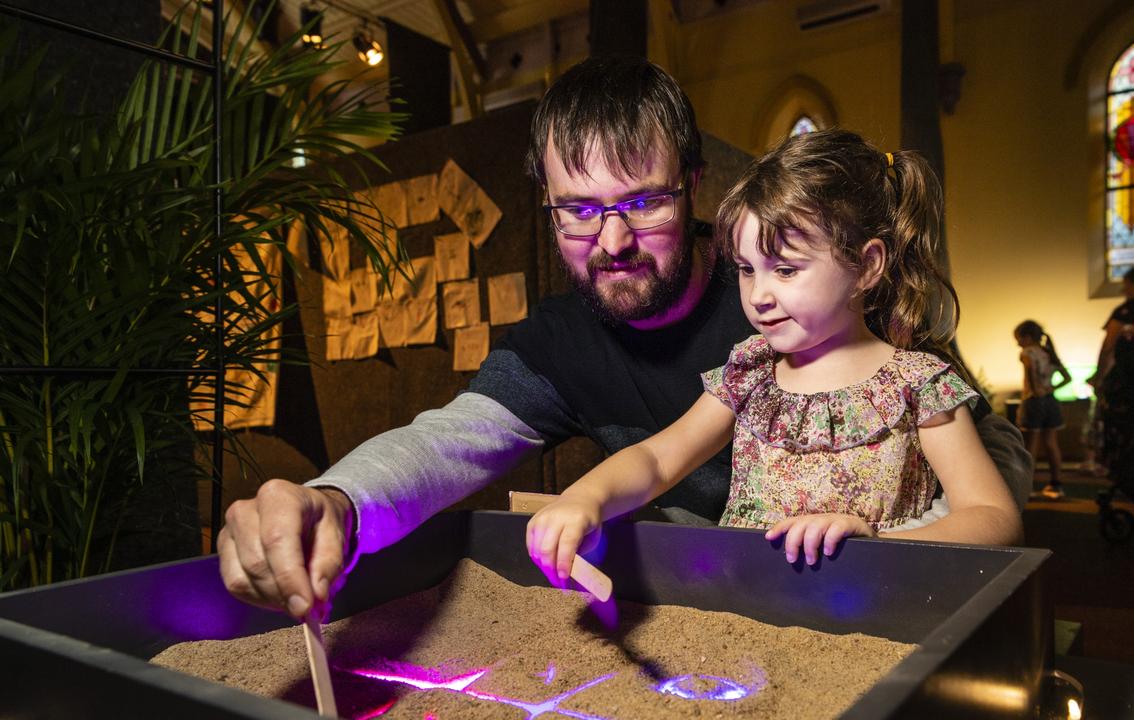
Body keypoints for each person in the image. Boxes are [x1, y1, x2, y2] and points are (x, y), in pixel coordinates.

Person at [217, 57, 1032, 622]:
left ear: (692, 184)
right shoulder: (569, 343)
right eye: (577, 209)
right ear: (547, 203)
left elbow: (994, 475)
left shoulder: (828, 300)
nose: (611, 242)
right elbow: (446, 443)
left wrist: (891, 547)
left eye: (642, 202)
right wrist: (336, 502)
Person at [526, 129, 1021, 581]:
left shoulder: (918, 384)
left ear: (866, 266)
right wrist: (585, 498)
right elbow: (656, 459)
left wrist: (881, 544)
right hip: (750, 602)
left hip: (875, 605)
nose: (758, 294)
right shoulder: (750, 373)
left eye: (785, 270)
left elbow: (994, 517)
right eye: (746, 269)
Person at [1013, 320, 1072, 499]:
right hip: (1051, 401)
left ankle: (1027, 487)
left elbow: (1030, 371)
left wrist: (1034, 388)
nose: (1017, 343)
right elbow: (1067, 378)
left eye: (1019, 338)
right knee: (1051, 444)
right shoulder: (1048, 353)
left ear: (1028, 337)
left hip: (1033, 401)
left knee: (1030, 446)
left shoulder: (1027, 352)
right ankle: (1056, 484)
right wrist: (1050, 389)